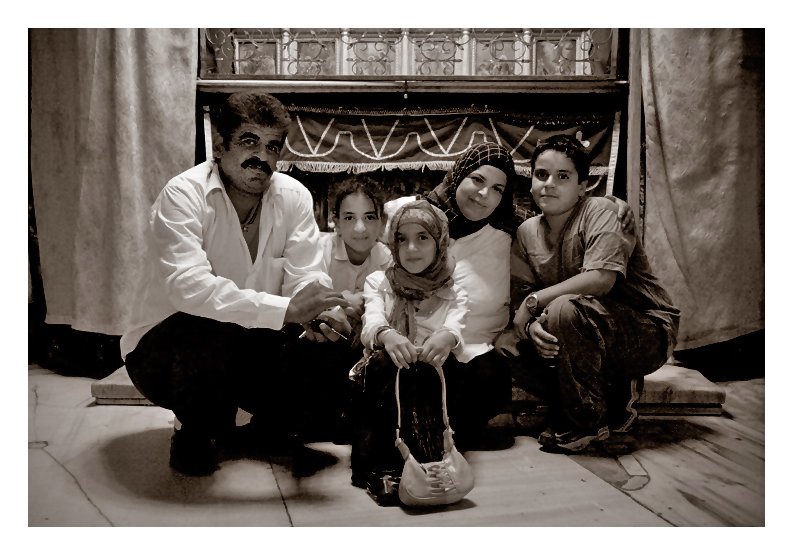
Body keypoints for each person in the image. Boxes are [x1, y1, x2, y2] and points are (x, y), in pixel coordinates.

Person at [120, 92, 350, 476]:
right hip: (165, 352)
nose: (262, 156)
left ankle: (270, 426)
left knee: (331, 346)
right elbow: (188, 287)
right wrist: (287, 310)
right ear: (220, 145)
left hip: (248, 344)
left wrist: (322, 312)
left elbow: (306, 276)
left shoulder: (294, 198)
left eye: (272, 146)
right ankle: (195, 428)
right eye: (249, 142)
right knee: (206, 324)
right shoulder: (183, 194)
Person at [383, 141, 636, 444]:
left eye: (498, 188)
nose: (484, 195)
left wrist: (614, 204)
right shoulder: (414, 218)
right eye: (477, 180)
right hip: (414, 340)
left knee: (505, 367)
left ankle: (604, 395)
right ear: (457, 175)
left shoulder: (508, 223)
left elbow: (564, 265)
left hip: (481, 346)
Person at [510, 135, 679, 453]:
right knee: (508, 342)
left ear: (583, 185)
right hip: (577, 325)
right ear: (530, 181)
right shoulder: (526, 232)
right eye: (541, 174)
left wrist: (535, 304)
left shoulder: (600, 210)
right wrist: (532, 325)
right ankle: (606, 402)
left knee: (563, 309)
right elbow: (523, 295)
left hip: (644, 330)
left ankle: (587, 424)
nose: (549, 184)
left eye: (563, 177)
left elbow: (601, 280)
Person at [351, 200, 467, 506]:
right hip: (386, 376)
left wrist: (446, 337)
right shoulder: (379, 281)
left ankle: (430, 461)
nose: (411, 249)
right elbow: (372, 321)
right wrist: (387, 335)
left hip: (430, 376)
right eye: (401, 239)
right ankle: (382, 467)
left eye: (423, 238)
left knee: (440, 370)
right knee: (385, 364)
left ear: (440, 242)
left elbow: (456, 326)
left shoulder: (453, 287)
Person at [292, 175, 392, 440]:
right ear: (334, 222)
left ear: (382, 222)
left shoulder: (387, 259)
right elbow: (307, 297)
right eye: (349, 218)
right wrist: (347, 300)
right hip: (318, 339)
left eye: (370, 217)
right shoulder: (320, 250)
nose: (360, 228)